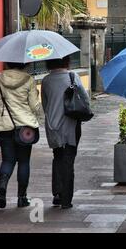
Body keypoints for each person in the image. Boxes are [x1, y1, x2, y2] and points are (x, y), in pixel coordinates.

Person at [0, 62, 41, 209]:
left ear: (7, 63)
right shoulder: (29, 80)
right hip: (24, 128)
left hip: (4, 127)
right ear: (25, 64)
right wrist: (36, 96)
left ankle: (2, 189)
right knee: (24, 162)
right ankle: (22, 198)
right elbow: (35, 107)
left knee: (8, 160)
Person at [41, 56, 90, 209]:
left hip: (53, 125)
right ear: (67, 61)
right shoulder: (73, 77)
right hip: (71, 125)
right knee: (68, 161)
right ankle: (66, 199)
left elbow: (45, 104)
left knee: (57, 157)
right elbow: (85, 99)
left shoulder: (46, 80)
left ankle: (57, 193)